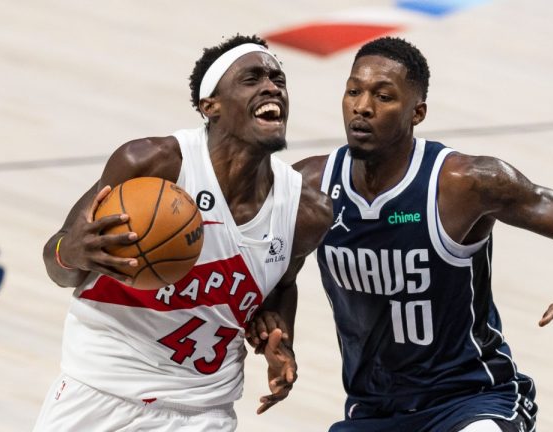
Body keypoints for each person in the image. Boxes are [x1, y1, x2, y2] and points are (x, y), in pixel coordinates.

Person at [248, 37, 553, 432]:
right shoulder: (311, 185)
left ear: (417, 112)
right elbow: (280, 279)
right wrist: (280, 343)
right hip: (374, 411)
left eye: (384, 96)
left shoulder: (465, 183)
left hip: (472, 401)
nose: (362, 106)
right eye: (353, 91)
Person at [34, 34, 332, 431]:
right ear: (210, 106)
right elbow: (57, 264)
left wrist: (279, 338)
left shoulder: (305, 212)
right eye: (252, 78)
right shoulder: (151, 163)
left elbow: (280, 287)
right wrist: (70, 253)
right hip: (98, 392)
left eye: (278, 78)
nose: (271, 86)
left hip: (203, 411)